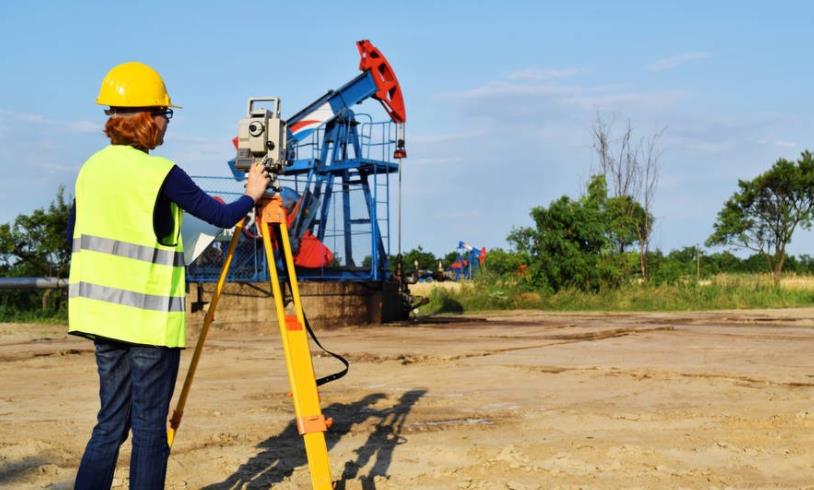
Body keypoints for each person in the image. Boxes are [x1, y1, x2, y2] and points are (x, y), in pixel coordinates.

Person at [68, 61, 270, 489]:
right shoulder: (161, 173)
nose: (166, 123)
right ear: (148, 118)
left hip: (101, 319)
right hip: (149, 322)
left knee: (109, 424)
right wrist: (252, 195)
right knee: (147, 429)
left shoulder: (90, 170)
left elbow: (77, 235)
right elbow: (220, 215)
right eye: (165, 114)